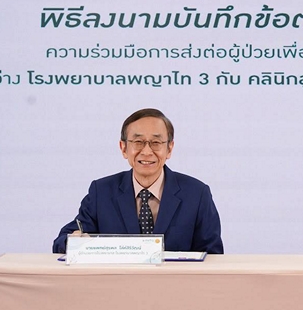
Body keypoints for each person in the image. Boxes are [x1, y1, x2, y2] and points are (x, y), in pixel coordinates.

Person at [53, 108, 223, 254]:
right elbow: (62, 242)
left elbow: (213, 256)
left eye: (156, 142)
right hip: (118, 281)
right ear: (123, 148)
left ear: (169, 148)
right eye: (138, 142)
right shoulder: (102, 192)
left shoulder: (197, 194)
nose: (147, 151)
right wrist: (75, 241)